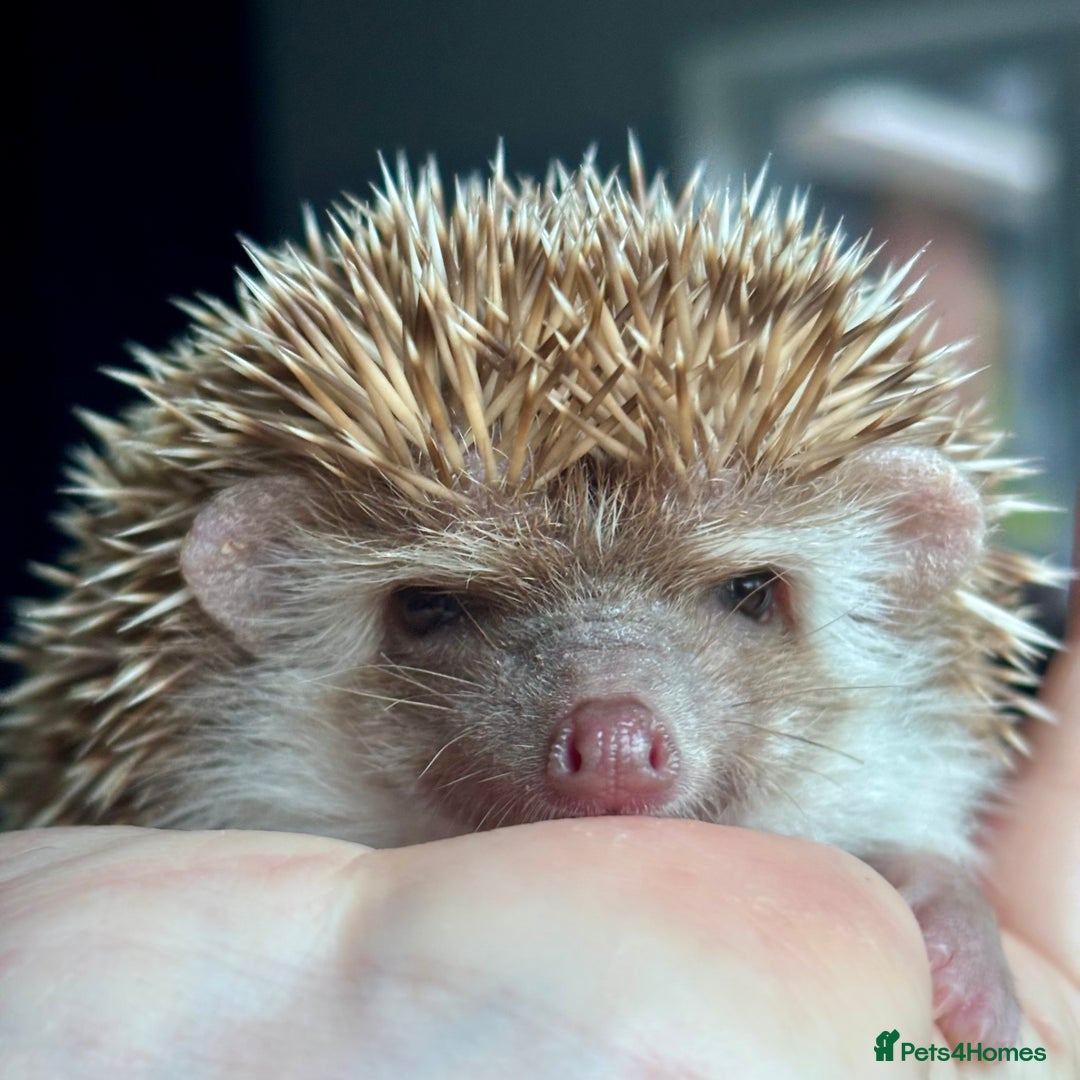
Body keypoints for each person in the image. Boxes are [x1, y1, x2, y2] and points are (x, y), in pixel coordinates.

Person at [2, 506, 1076, 1078]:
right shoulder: (208, 832)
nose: (613, 733)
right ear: (266, 588)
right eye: (436, 609)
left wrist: (931, 885)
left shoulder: (890, 753)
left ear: (901, 557)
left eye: (744, 595)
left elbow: (906, 834)